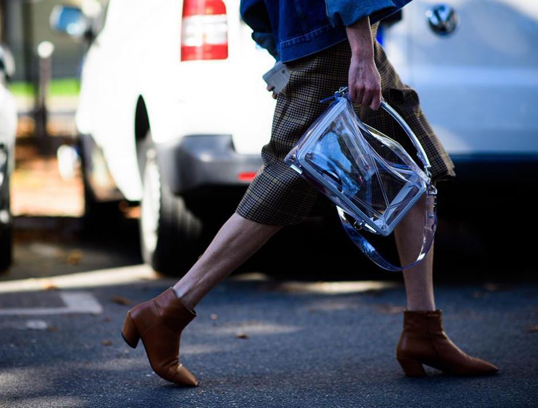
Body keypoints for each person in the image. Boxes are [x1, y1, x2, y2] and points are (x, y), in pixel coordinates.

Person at [120, 0, 498, 387]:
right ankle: (169, 309)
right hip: (337, 44)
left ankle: (424, 329)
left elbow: (253, 5)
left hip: (322, 42)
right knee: (287, 179)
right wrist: (361, 53)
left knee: (411, 171)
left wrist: (282, 49)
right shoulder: (348, 47)